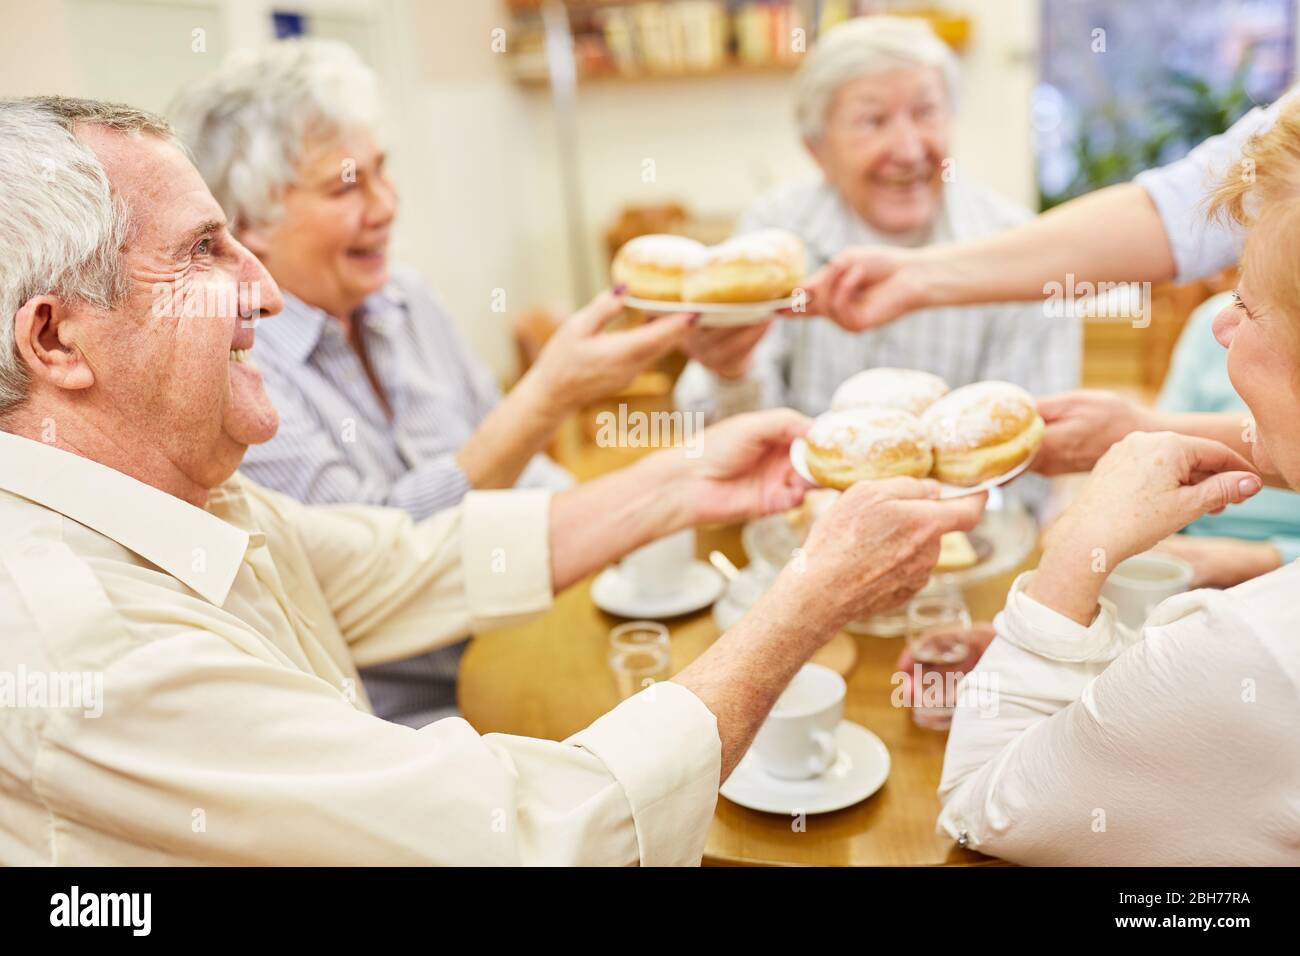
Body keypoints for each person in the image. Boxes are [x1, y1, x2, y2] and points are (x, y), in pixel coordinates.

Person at [0, 95, 984, 865]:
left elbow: (415, 559)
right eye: (203, 250)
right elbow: (536, 834)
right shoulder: (90, 647)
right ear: (56, 340)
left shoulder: (179, 496)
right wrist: (810, 596)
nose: (263, 289)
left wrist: (681, 481)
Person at [170, 39, 697, 726]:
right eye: (346, 187)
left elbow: (525, 471)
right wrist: (546, 400)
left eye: (382, 171)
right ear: (247, 227)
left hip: (522, 630)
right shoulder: (238, 369)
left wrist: (627, 524)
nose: (386, 206)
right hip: (412, 714)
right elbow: (383, 561)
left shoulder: (408, 300)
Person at [935, 99, 1300, 865]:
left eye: (1247, 305)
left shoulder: (1251, 649)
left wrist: (1075, 553)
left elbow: (980, 809)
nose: (1220, 324)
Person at [674, 16, 1078, 511]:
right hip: (799, 524)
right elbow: (714, 448)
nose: (908, 150)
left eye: (926, 113)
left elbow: (1029, 470)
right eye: (873, 121)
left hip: (962, 538)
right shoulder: (776, 240)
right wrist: (731, 372)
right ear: (818, 151)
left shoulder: (1020, 251)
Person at [1152, 290, 1300, 587]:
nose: (1221, 327)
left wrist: (1270, 559)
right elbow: (1160, 463)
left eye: (1246, 306)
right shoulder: (1210, 322)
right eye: (1238, 297)